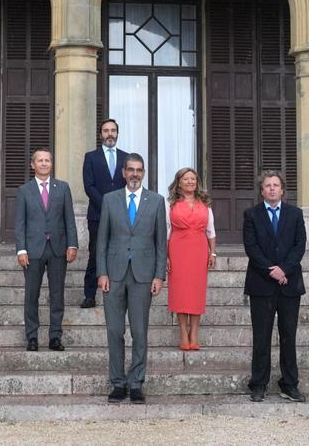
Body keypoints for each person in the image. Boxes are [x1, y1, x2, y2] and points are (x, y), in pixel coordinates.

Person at [96, 154, 167, 405]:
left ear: (143, 173)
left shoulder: (157, 201)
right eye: (131, 170)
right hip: (113, 275)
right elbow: (101, 240)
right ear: (124, 172)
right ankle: (118, 383)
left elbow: (161, 243)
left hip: (143, 276)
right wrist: (101, 272)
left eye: (139, 170)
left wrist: (160, 275)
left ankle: (136, 382)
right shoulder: (109, 200)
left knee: (139, 331)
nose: (135, 174)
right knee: (114, 331)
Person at [242, 169, 306, 403]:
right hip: (261, 284)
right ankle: (258, 384)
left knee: (289, 336)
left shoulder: (295, 214)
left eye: (275, 185)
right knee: (261, 337)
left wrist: (284, 269)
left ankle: (289, 384)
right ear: (262, 190)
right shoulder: (251, 215)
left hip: (289, 284)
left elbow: (300, 245)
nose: (271, 188)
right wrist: (272, 270)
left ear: (282, 189)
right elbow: (252, 248)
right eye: (267, 185)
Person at [14, 147, 78, 352]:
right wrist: (21, 250)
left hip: (58, 248)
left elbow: (69, 218)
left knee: (57, 294)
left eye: (47, 160)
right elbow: (20, 223)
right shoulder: (24, 190)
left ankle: (55, 337)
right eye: (39, 160)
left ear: (51, 164)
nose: (44, 164)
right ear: (32, 165)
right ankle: (32, 337)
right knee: (31, 294)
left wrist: (72, 244)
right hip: (32, 250)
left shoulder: (63, 188)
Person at [165, 167, 216, 352]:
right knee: (180, 292)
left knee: (196, 292)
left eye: (193, 179)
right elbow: (166, 232)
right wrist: (166, 257)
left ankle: (194, 333)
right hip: (178, 250)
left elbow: (211, 230)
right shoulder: (170, 204)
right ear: (179, 182)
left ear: (197, 182)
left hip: (199, 250)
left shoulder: (205, 204)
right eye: (186, 179)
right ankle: (182, 333)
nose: (190, 182)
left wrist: (213, 253)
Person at [81, 118, 127, 309]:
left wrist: (117, 208)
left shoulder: (127, 157)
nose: (110, 134)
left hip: (122, 215)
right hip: (97, 214)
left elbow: (130, 185)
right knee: (95, 253)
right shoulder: (91, 157)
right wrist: (106, 206)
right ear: (101, 134)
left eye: (113, 130)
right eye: (106, 130)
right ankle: (90, 294)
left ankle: (119, 292)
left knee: (120, 253)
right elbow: (89, 185)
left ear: (117, 133)